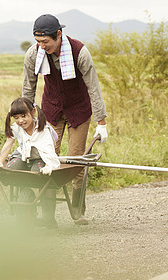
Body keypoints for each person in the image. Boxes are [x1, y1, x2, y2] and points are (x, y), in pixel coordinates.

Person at [22, 14, 108, 224]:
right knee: (47, 159)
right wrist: (26, 119)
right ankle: (48, 216)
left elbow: (93, 87)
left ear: (58, 35)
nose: (42, 46)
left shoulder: (80, 52)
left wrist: (101, 122)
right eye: (38, 41)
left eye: (46, 41)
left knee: (75, 161)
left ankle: (77, 211)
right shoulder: (34, 54)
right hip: (51, 111)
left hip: (78, 110)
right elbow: (28, 88)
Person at [0, 98, 60, 226]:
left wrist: (49, 165)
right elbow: (9, 143)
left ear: (33, 112)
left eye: (24, 116)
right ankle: (24, 194)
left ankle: (31, 199)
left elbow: (49, 150)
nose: (21, 121)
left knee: (37, 175)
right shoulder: (17, 128)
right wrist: (0, 161)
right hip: (24, 156)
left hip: (40, 158)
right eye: (16, 117)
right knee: (10, 170)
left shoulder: (42, 129)